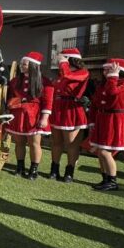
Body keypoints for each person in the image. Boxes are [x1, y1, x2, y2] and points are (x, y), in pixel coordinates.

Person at [88, 58, 124, 192]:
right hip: (102, 118)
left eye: (108, 69)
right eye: (105, 69)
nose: (105, 72)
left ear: (118, 70)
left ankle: (112, 181)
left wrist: (113, 77)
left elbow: (113, 93)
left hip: (115, 119)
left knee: (105, 151)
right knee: (100, 151)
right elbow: (94, 104)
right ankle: (105, 179)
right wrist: (92, 121)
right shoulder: (103, 85)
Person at [5, 51, 54, 179]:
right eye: (21, 63)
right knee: (19, 143)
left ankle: (33, 170)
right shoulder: (15, 81)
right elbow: (10, 97)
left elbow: (48, 101)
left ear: (33, 65)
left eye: (25, 64)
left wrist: (44, 118)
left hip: (34, 115)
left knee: (34, 143)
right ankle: (20, 167)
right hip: (18, 114)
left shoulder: (45, 81)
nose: (22, 66)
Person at [49, 47, 89, 182]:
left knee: (71, 144)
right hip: (58, 108)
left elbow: (68, 76)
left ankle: (69, 172)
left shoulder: (82, 72)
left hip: (71, 109)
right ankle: (54, 170)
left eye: (63, 57)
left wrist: (63, 63)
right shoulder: (61, 74)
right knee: (56, 142)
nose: (59, 59)